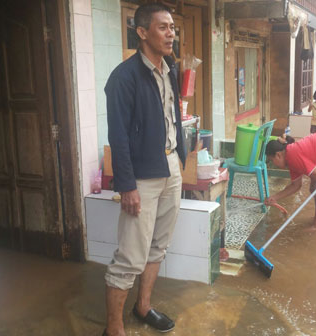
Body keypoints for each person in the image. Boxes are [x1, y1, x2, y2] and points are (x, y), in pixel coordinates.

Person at [103, 4, 186, 335]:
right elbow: (118, 136)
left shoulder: (170, 68)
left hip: (170, 168)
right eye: (163, 27)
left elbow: (172, 116)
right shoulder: (123, 78)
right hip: (142, 178)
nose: (171, 33)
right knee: (130, 258)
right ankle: (114, 328)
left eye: (172, 27)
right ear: (142, 32)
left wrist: (179, 154)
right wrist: (127, 185)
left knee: (158, 246)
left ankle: (143, 306)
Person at [264, 130, 316, 232]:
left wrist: (313, 184)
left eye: (272, 160)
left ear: (278, 155)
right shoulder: (289, 157)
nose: (273, 164)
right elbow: (296, 185)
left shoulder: (292, 155)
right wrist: (274, 197)